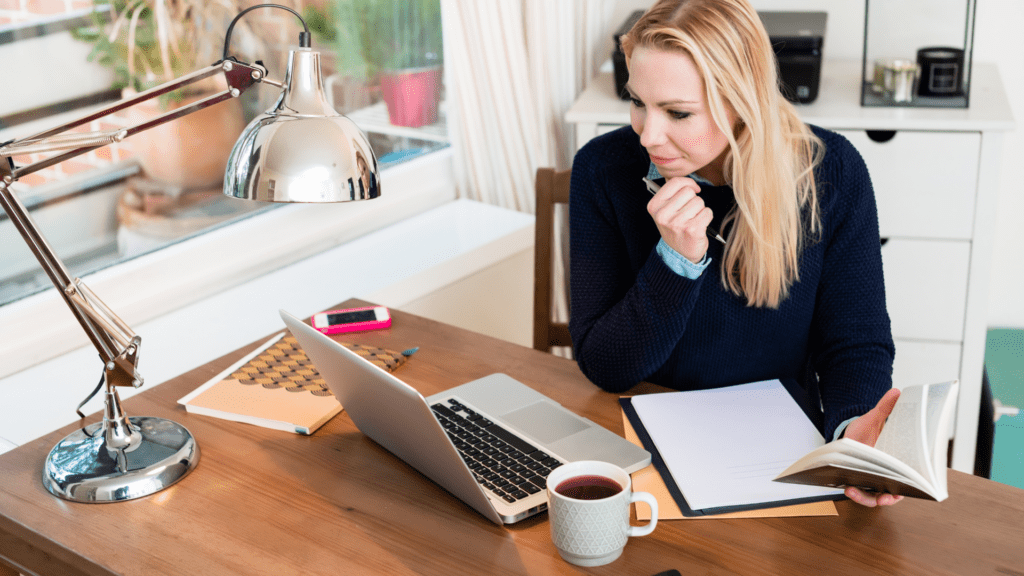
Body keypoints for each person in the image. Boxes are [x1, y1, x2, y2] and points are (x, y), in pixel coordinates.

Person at [568, 0, 902, 507]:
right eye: (637, 102)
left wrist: (853, 433)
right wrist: (674, 263)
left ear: (741, 102)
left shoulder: (831, 173)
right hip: (645, 443)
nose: (647, 134)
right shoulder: (601, 169)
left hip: (779, 455)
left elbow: (855, 344)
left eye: (678, 113)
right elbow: (605, 366)